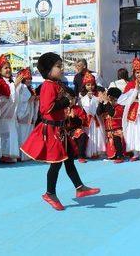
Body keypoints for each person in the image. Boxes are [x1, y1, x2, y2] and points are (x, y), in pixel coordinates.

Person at [21, 52, 100, 211]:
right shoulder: (48, 86)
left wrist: (68, 99)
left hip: (60, 128)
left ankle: (79, 187)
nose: (61, 68)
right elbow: (46, 108)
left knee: (69, 157)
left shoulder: (56, 84)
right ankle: (50, 193)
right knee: (56, 163)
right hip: (51, 129)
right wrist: (65, 101)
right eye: (58, 66)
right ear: (48, 70)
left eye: (61, 65)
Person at [0, 55, 20, 163]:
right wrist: (15, 85)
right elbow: (7, 94)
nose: (8, 70)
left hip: (10, 116)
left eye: (9, 67)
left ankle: (8, 154)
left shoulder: (9, 81)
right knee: (4, 135)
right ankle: (3, 154)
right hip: (3, 115)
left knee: (10, 134)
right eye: (5, 68)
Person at [79, 72, 106, 159]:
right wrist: (88, 97)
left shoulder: (98, 95)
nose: (90, 87)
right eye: (88, 85)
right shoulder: (81, 96)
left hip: (96, 119)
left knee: (97, 135)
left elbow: (99, 108)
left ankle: (96, 152)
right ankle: (88, 152)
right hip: (87, 120)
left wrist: (94, 98)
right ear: (85, 86)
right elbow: (82, 107)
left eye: (92, 85)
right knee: (89, 135)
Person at [15, 68, 38, 161]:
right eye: (27, 78)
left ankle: (27, 154)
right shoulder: (21, 87)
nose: (29, 80)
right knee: (22, 136)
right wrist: (30, 99)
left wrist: (34, 99)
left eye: (30, 78)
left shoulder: (30, 88)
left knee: (28, 136)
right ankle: (22, 155)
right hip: (23, 115)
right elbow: (19, 100)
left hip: (29, 114)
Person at [100, 87, 126, 163]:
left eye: (114, 100)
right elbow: (98, 112)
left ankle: (120, 156)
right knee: (111, 154)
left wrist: (106, 102)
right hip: (109, 132)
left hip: (118, 131)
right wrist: (101, 102)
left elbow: (112, 113)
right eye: (111, 100)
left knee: (117, 140)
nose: (112, 102)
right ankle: (116, 155)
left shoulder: (119, 107)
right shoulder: (107, 106)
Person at [64, 89, 89, 163]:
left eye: (72, 99)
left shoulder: (77, 109)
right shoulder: (61, 108)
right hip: (63, 130)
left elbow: (82, 121)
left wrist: (74, 118)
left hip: (73, 130)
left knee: (82, 134)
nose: (70, 101)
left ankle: (81, 155)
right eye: (68, 99)